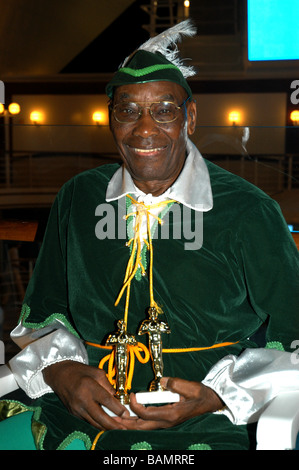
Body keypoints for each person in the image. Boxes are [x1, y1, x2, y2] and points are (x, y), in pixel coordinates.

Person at [0, 20, 299, 451]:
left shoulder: (248, 210)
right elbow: (45, 310)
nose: (144, 129)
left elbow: (292, 332)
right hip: (78, 414)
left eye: (164, 110)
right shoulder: (79, 199)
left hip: (206, 424)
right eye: (128, 110)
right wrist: (62, 372)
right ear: (110, 119)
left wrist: (216, 395)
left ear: (190, 118)